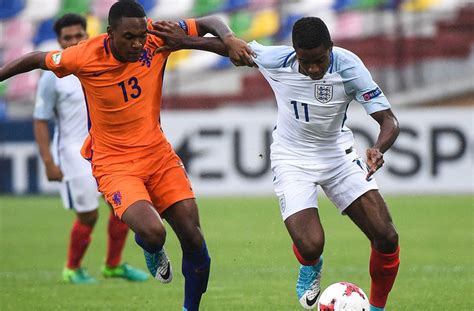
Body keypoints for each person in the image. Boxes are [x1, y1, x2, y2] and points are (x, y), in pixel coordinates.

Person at [0, 1, 253, 310]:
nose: (137, 44)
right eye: (129, 37)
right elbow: (36, 59)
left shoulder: (156, 36)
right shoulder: (83, 55)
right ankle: (150, 247)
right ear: (110, 34)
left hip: (158, 155)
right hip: (114, 163)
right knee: (153, 231)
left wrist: (228, 38)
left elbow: (211, 20)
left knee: (194, 238)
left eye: (141, 36)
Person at [246, 17, 401, 311]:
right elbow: (227, 45)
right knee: (310, 244)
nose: (314, 68)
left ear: (330, 47)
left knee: (386, 236)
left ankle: (377, 308)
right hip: (291, 157)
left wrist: (379, 148)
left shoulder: (349, 67)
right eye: (307, 63)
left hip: (337, 155)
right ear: (295, 53)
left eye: (319, 60)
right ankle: (311, 264)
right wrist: (184, 39)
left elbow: (389, 120)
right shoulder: (274, 59)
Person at [33, 13, 148, 284]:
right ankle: (72, 268)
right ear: (59, 41)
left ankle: (113, 265)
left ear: (88, 34)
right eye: (67, 38)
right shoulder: (53, 76)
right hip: (73, 153)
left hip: (106, 149)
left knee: (122, 207)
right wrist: (49, 162)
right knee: (88, 215)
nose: (73, 41)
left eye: (78, 35)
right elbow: (40, 119)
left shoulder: (100, 63)